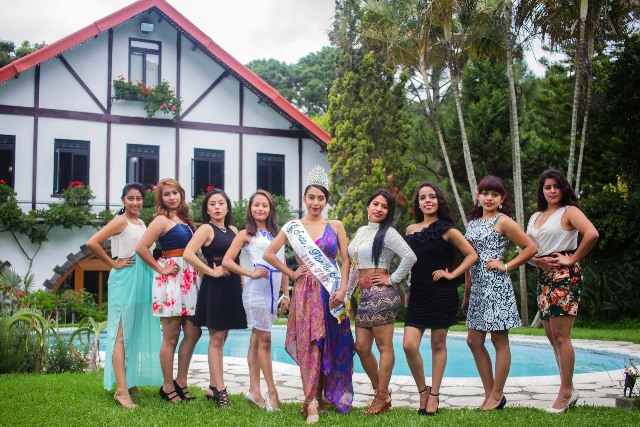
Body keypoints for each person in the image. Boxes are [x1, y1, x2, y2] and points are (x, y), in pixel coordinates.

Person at [263, 165, 353, 424]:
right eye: (311, 197)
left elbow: (345, 261)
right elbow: (269, 253)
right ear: (304, 198)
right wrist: (291, 274)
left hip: (331, 290)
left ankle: (324, 395)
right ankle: (311, 401)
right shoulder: (293, 227)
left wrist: (343, 288)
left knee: (330, 343)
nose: (316, 202)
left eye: (321, 198)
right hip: (305, 292)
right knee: (310, 344)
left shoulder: (335, 225)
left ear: (326, 200)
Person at [526, 169, 599, 414]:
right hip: (543, 274)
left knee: (561, 336)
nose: (552, 191)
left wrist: (572, 259)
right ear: (542, 191)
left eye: (556, 186)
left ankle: (565, 392)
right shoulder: (536, 216)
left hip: (564, 275)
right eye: (547, 187)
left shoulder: (569, 212)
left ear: (563, 188)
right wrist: (538, 262)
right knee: (550, 336)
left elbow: (592, 234)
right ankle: (568, 387)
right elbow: (530, 250)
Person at [462, 176, 537, 410]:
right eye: (485, 193)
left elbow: (531, 247)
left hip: (496, 285)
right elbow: (468, 258)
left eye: (495, 194)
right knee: (473, 340)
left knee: (498, 340)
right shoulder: (472, 224)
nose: (489, 198)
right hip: (476, 288)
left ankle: (496, 395)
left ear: (502, 198)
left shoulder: (503, 221)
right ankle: (490, 393)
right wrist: (467, 292)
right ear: (478, 196)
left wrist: (506, 265)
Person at [403, 183, 477, 416]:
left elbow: (472, 255)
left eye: (432, 197)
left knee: (438, 344)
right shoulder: (410, 229)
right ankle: (423, 391)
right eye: (422, 197)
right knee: (408, 344)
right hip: (418, 294)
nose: (427, 201)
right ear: (418, 203)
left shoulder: (448, 230)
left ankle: (434, 395)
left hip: (441, 292)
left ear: (439, 201)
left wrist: (452, 274)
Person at [87, 182, 162, 408]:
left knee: (133, 330)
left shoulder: (141, 222)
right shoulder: (121, 220)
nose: (135, 202)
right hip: (126, 275)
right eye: (130, 198)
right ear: (123, 200)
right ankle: (121, 391)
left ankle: (129, 382)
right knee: (120, 333)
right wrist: (113, 263)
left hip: (143, 276)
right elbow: (93, 242)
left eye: (139, 198)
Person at [346, 189, 416, 415]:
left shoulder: (389, 233)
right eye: (375, 204)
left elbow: (410, 256)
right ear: (368, 206)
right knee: (361, 347)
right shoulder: (360, 232)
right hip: (365, 295)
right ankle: (382, 393)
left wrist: (392, 278)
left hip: (382, 294)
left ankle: (381, 394)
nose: (378, 209)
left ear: (388, 212)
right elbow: (356, 267)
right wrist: (347, 295)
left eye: (384, 207)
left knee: (383, 346)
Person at [219, 190, 289, 410]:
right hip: (255, 293)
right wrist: (250, 273)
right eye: (256, 205)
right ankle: (272, 393)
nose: (260, 209)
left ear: (271, 209)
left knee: (256, 339)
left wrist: (286, 293)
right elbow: (226, 261)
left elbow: (283, 264)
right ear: (250, 209)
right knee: (265, 340)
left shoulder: (279, 233)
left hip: (273, 293)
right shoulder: (245, 234)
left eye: (265, 205)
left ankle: (254, 390)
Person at [135, 178, 201, 403]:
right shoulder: (160, 220)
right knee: (171, 337)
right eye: (167, 194)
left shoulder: (185, 219)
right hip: (172, 280)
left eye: (175, 193)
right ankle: (167, 385)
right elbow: (141, 248)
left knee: (193, 332)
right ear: (161, 198)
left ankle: (181, 381)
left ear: (181, 194)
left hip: (189, 278)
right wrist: (160, 269)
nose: (172, 197)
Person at [183, 188, 247, 407]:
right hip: (215, 287)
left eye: (221, 203)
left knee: (223, 336)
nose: (217, 207)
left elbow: (236, 259)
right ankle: (221, 391)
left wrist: (241, 281)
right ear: (207, 209)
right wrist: (211, 271)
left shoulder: (233, 229)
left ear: (227, 206)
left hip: (232, 286)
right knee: (216, 338)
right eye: (212, 204)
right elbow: (188, 253)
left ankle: (212, 386)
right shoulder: (205, 229)